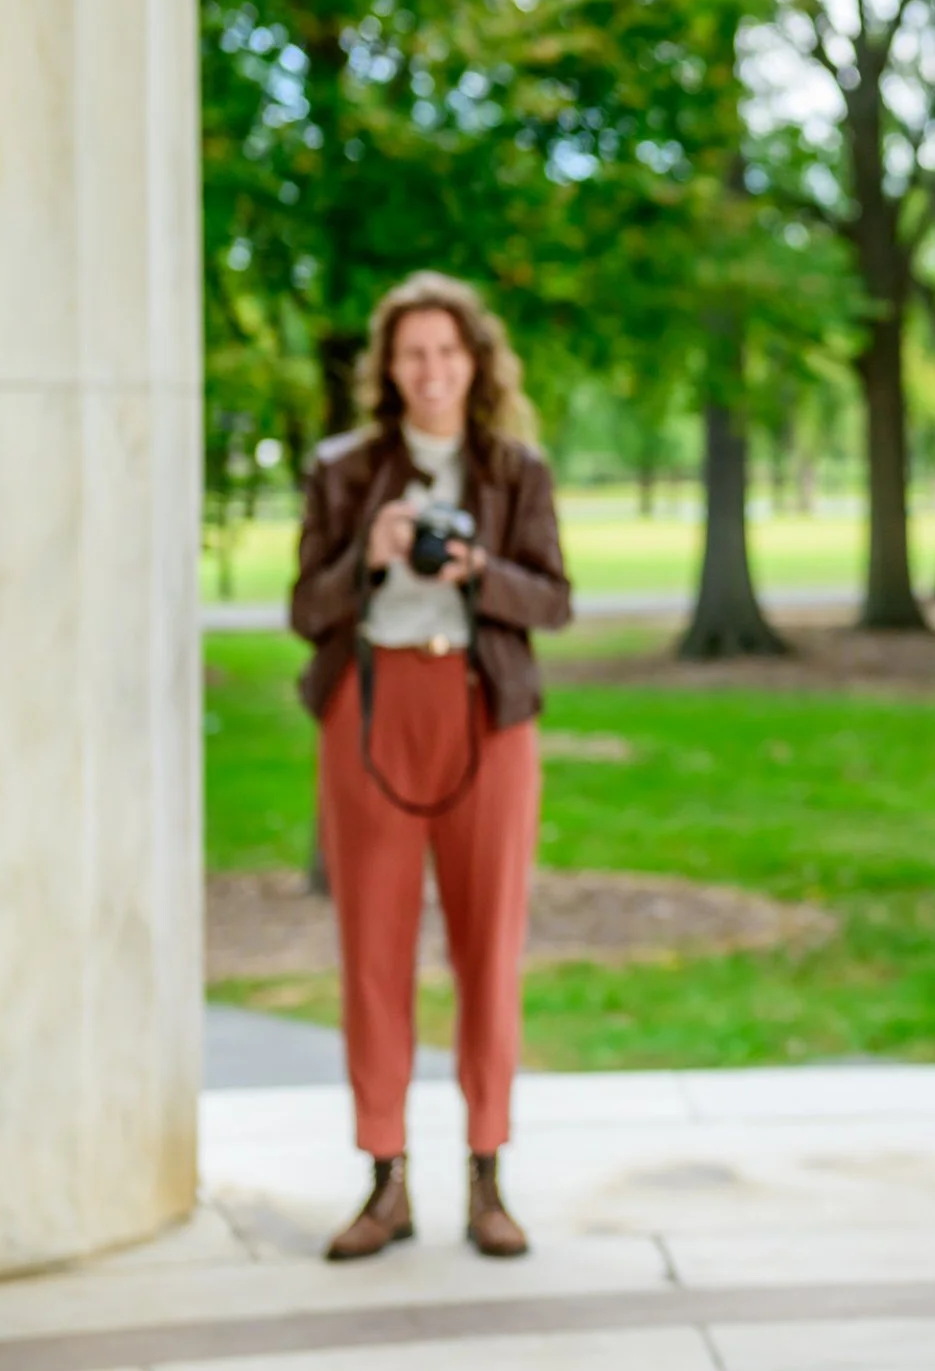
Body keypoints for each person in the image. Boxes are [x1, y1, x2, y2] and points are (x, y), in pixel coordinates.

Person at [288, 272, 572, 1262]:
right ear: (389, 367)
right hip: (369, 712)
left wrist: (477, 570)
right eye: (412, 352)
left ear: (475, 360)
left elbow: (554, 600)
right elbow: (305, 609)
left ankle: (488, 1175)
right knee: (373, 949)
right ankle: (384, 1177)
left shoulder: (515, 469)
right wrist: (370, 552)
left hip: (485, 711)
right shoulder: (343, 469)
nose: (431, 369)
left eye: (447, 351)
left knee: (489, 944)